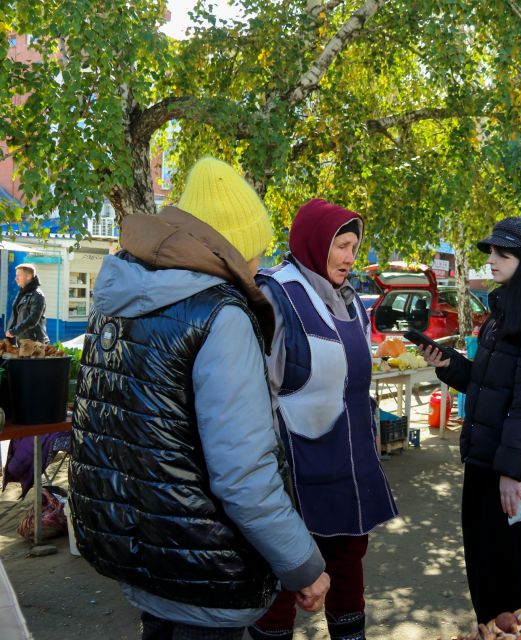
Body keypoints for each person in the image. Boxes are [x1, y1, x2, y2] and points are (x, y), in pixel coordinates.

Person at [69, 158, 329, 639]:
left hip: (143, 554)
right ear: (231, 248)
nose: (258, 264)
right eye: (255, 251)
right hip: (204, 567)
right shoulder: (220, 316)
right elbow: (243, 475)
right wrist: (304, 565)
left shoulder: (120, 296)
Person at [252, 199, 398, 640]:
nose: (351, 257)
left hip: (349, 469)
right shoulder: (275, 295)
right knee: (282, 579)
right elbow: (255, 393)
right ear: (316, 243)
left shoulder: (352, 301)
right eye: (342, 246)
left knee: (348, 570)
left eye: (355, 246)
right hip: (295, 476)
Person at [420, 217, 521, 624]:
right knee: (485, 570)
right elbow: (490, 385)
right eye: (491, 253)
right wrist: (450, 366)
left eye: (503, 254)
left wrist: (511, 471)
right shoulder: (505, 308)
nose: (492, 261)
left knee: (511, 573)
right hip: (485, 460)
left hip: (507, 468)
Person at [6, 263, 49, 344]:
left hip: (34, 343)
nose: (16, 279)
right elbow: (15, 316)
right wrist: (9, 337)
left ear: (28, 277)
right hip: (21, 342)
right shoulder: (22, 293)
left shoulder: (37, 295)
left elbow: (32, 320)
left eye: (19, 275)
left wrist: (14, 332)